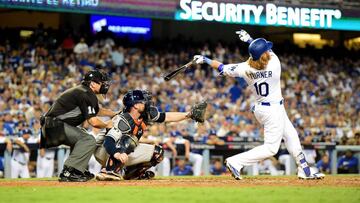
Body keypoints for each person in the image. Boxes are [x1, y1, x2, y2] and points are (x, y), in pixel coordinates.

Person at [192, 30, 325, 180]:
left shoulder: (244, 68)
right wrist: (249, 39)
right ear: (264, 55)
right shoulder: (274, 63)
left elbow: (222, 67)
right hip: (273, 110)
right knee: (271, 148)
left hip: (263, 108)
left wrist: (205, 59)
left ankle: (304, 170)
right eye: (266, 50)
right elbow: (266, 51)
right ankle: (235, 162)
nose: (268, 51)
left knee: (291, 136)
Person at [94, 90, 207, 180]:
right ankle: (108, 171)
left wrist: (189, 115)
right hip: (105, 151)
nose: (147, 103)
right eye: (143, 101)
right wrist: (117, 154)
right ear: (135, 106)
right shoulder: (123, 119)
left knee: (158, 153)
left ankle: (132, 174)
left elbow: (167, 117)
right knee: (130, 139)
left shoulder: (144, 115)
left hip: (121, 150)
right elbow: (108, 140)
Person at [40, 70, 116, 182]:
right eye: (101, 82)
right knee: (88, 140)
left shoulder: (82, 91)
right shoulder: (86, 93)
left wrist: (114, 113)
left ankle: (77, 169)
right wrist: (106, 124)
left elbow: (97, 110)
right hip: (55, 126)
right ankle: (70, 170)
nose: (104, 85)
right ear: (93, 84)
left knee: (83, 135)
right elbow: (93, 121)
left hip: (52, 125)